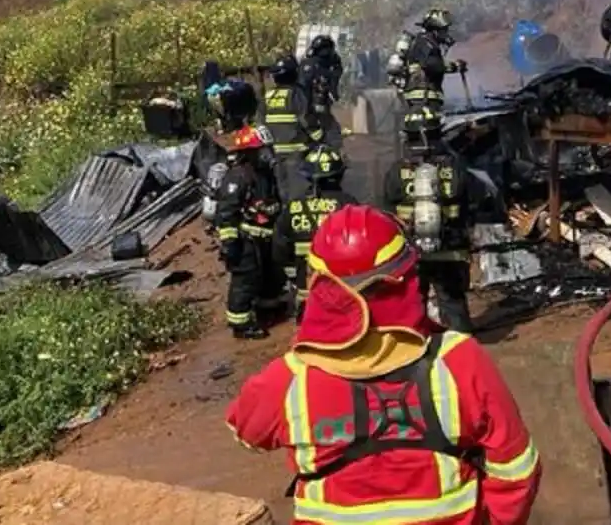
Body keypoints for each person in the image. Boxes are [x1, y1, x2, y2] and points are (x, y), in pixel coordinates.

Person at [225, 204, 542, 525]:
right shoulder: (459, 360)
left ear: (321, 286)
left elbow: (245, 433)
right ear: (409, 277)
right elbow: (516, 470)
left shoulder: (290, 379)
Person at [382, 106, 483, 334]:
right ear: (438, 133)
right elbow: (473, 200)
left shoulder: (397, 169)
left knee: (413, 304)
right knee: (453, 303)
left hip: (411, 252)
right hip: (450, 248)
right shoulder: (455, 166)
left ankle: (415, 352)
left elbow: (387, 209)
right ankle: (460, 354)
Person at [215, 125, 288, 340]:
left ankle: (269, 308)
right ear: (249, 153)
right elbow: (226, 212)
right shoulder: (238, 177)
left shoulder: (265, 175)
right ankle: (241, 323)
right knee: (245, 281)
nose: (267, 154)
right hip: (245, 240)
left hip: (266, 236)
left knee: (271, 275)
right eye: (262, 150)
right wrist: (229, 243)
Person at [273, 143, 358, 315]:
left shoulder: (293, 205)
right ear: (339, 174)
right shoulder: (347, 204)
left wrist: (291, 271)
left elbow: (280, 244)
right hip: (341, 289)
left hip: (306, 289)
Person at [265, 53, 315, 201]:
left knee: (283, 189)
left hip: (275, 153)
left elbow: (260, 123)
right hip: (297, 151)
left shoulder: (268, 96)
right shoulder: (296, 94)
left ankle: (286, 216)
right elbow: (306, 119)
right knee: (300, 190)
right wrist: (320, 138)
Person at [398, 9, 468, 111]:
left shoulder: (425, 42)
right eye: (443, 30)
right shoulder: (426, 42)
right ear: (435, 30)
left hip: (424, 97)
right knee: (430, 125)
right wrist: (454, 66)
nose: (446, 33)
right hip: (423, 97)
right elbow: (432, 65)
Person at [299, 35, 345, 149]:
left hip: (308, 111)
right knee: (333, 138)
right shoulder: (317, 66)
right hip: (313, 111)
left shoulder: (307, 63)